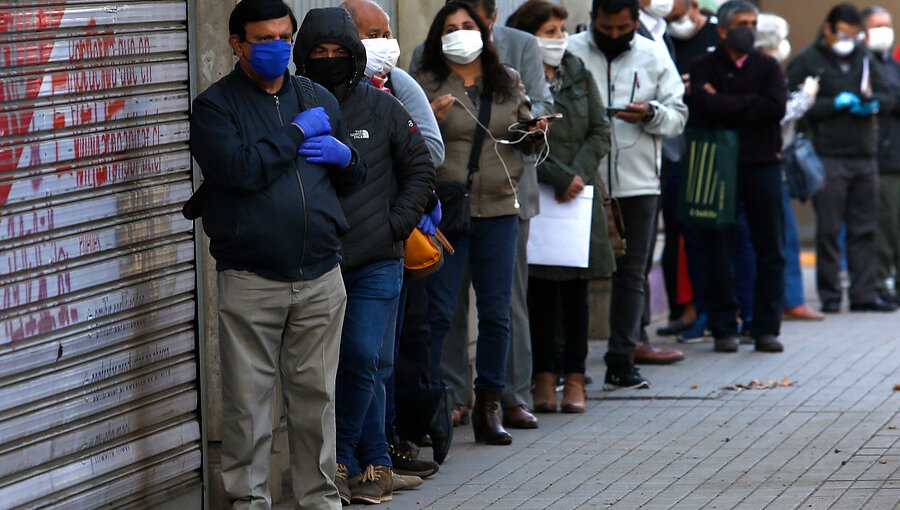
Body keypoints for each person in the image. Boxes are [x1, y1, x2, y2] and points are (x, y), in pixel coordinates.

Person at [189, 0, 364, 507]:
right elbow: (238, 170)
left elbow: (354, 178)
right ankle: (249, 501)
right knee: (247, 407)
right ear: (237, 44)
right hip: (252, 278)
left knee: (316, 401)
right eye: (263, 40)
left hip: (320, 277)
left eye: (284, 38)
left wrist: (346, 155)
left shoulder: (316, 96)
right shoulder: (216, 106)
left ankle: (320, 499)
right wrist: (294, 133)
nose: (277, 48)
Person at [292, 6, 435, 505]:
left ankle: (343, 461)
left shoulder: (383, 107)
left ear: (354, 54)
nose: (329, 60)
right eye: (318, 53)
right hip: (318, 258)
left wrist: (395, 225)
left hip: (377, 260)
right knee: (352, 367)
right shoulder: (291, 106)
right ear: (302, 57)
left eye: (338, 52)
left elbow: (421, 170)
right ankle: (375, 465)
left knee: (361, 357)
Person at [413, 0, 555, 432]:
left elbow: (524, 137)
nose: (460, 33)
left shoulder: (506, 80)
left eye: (467, 25)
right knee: (441, 311)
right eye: (451, 27)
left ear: (484, 30)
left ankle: (490, 404)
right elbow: (405, 142)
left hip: (499, 208)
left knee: (497, 311)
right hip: (448, 213)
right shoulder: (424, 82)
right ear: (439, 37)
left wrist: (535, 132)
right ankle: (437, 399)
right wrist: (426, 121)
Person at [340, 0, 446, 479]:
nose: (385, 42)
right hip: (332, 248)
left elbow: (428, 154)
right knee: (354, 359)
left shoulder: (396, 88)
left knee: (379, 356)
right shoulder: (317, 94)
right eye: (372, 33)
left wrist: (399, 220)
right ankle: (351, 459)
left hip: (385, 247)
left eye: (387, 31)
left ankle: (379, 455)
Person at [568, 0, 688, 389]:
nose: (615, 35)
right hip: (583, 181)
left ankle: (622, 359)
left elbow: (678, 115)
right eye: (607, 28)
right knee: (576, 274)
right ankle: (572, 366)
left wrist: (650, 113)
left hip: (639, 183)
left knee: (631, 273)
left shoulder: (654, 53)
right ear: (593, 21)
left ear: (636, 22)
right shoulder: (571, 51)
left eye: (623, 29)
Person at [506, 0, 614, 413]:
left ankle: (574, 378)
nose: (558, 39)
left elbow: (600, 130)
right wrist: (558, 176)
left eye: (561, 31)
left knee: (576, 293)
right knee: (540, 293)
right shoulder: (519, 77)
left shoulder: (577, 71)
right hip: (538, 192)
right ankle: (544, 378)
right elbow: (519, 132)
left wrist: (579, 175)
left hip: (577, 198)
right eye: (549, 32)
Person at [688, 1, 788, 352]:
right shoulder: (703, 65)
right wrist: (749, 105)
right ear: (723, 29)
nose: (749, 29)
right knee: (717, 247)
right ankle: (723, 327)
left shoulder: (768, 66)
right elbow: (701, 105)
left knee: (770, 247)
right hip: (717, 165)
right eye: (742, 23)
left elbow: (776, 108)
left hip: (763, 164)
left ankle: (765, 328)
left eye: (753, 22)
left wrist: (725, 103)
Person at [787, 3, 898, 314]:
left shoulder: (863, 57)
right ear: (828, 29)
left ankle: (864, 294)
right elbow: (794, 106)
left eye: (855, 35)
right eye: (845, 34)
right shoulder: (807, 61)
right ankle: (830, 294)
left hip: (865, 155)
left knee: (865, 227)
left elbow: (889, 95)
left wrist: (871, 103)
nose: (850, 40)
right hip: (827, 155)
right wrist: (832, 104)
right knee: (829, 228)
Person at [754, 13, 825, 322]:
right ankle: (788, 300)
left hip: (769, 162)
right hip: (767, 163)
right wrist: (805, 99)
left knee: (779, 237)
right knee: (783, 236)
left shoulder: (760, 68)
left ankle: (785, 299)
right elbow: (776, 111)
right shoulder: (759, 69)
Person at [863, 6, 900, 306]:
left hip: (895, 153)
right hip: (879, 157)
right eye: (878, 25)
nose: (885, 30)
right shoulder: (862, 63)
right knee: (884, 227)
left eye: (888, 24)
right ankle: (878, 284)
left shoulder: (891, 63)